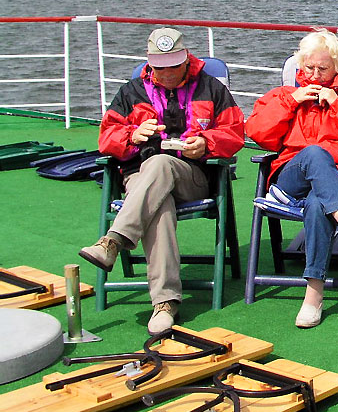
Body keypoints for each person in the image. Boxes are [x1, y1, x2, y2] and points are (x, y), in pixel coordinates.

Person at [79, 27, 245, 334]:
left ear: (185, 61)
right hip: (141, 181)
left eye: (173, 65)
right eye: (160, 66)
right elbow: (106, 138)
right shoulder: (130, 92)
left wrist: (206, 143)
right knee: (159, 204)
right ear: (149, 63)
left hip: (191, 176)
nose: (167, 73)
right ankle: (165, 302)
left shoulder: (211, 88)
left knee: (160, 164)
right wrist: (132, 135)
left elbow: (235, 133)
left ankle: (113, 241)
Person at [245, 29, 338, 329]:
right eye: (308, 68)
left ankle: (313, 295)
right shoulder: (283, 96)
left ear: (337, 68)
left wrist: (337, 104)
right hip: (291, 179)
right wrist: (290, 102)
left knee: (316, 204)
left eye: (322, 69)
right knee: (314, 153)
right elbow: (257, 132)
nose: (313, 75)